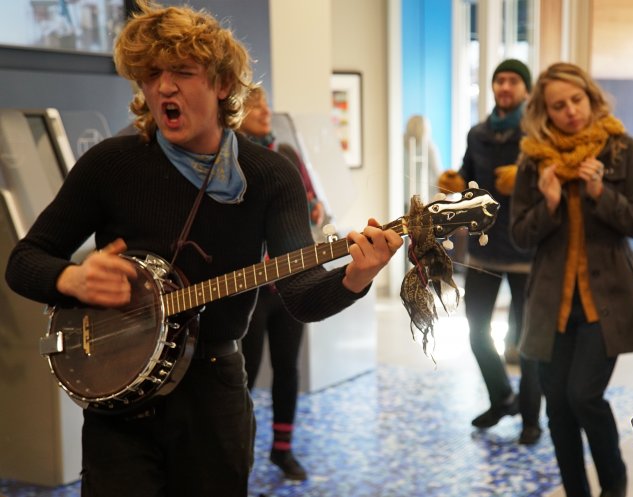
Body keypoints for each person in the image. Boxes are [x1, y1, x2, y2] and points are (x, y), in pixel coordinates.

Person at [3, 2, 402, 496]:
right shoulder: (110, 164)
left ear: (221, 85)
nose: (163, 87)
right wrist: (70, 278)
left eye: (183, 72)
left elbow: (298, 296)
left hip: (214, 396)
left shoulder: (270, 176)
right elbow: (23, 261)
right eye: (151, 74)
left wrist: (356, 278)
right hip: (118, 402)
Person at [510, 62, 633, 497]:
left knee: (583, 395)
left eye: (577, 100)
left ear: (591, 98)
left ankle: (613, 484)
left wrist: (602, 194)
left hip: (605, 302)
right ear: (544, 112)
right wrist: (549, 204)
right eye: (558, 105)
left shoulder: (620, 149)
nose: (571, 111)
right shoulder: (534, 160)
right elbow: (519, 235)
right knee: (557, 408)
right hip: (552, 305)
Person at [438, 59, 542, 444]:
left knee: (527, 338)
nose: (505, 86)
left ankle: (532, 418)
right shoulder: (478, 133)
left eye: (513, 80)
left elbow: (552, 184)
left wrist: (526, 180)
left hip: (525, 251)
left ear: (526, 90)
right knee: (476, 330)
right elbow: (469, 180)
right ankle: (503, 398)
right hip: (482, 249)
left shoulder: (537, 134)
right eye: (499, 80)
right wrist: (457, 182)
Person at [238, 87, 323, 480]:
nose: (266, 111)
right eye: (256, 105)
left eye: (266, 104)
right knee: (245, 375)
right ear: (236, 113)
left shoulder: (286, 153)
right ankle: (240, 451)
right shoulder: (231, 159)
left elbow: (311, 203)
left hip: (287, 282)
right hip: (252, 288)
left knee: (287, 368)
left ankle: (282, 450)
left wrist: (315, 208)